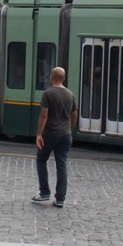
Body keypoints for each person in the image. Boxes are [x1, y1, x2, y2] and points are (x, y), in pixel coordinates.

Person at [32, 66, 78, 208]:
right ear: (64, 78)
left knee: (41, 159)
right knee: (62, 164)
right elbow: (74, 114)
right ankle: (60, 199)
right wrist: (70, 129)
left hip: (50, 134)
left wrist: (39, 134)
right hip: (65, 135)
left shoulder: (48, 93)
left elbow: (44, 115)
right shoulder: (70, 94)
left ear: (51, 77)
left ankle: (44, 192)